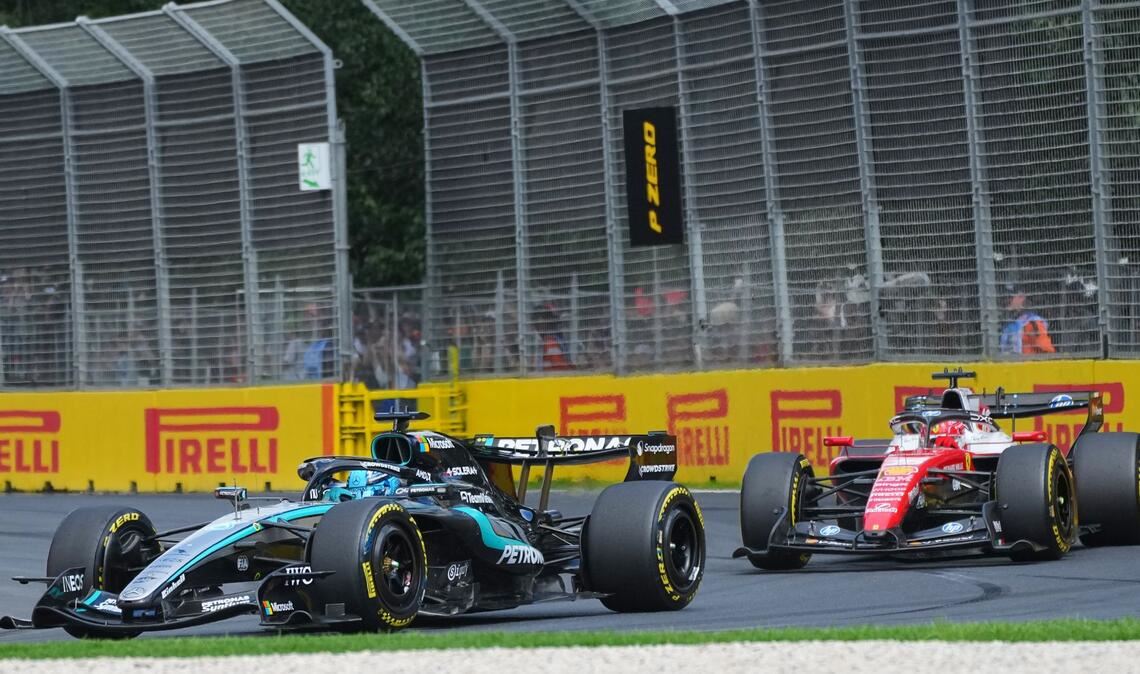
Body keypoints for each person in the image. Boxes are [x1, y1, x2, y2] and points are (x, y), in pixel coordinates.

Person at [999, 289, 1056, 355]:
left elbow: (1047, 350)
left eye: (1010, 297)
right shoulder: (1009, 323)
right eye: (1004, 298)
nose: (1006, 300)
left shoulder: (1032, 322)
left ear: (1021, 297)